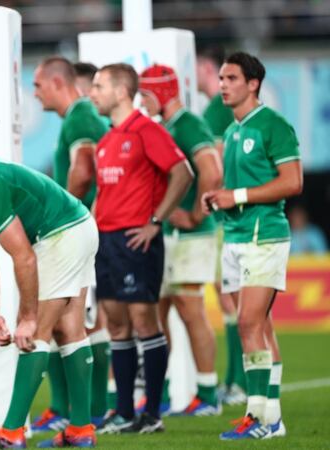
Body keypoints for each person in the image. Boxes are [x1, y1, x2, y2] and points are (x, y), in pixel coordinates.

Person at [0, 156, 98, 448]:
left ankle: (11, 433)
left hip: (59, 234)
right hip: (79, 225)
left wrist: (28, 317)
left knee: (34, 334)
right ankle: (81, 428)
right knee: (70, 330)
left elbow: (24, 257)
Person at [88, 63, 193, 435]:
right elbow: (104, 194)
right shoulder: (105, 142)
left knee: (144, 322)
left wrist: (156, 221)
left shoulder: (147, 130)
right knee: (116, 324)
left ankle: (152, 413)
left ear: (120, 91)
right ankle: (124, 412)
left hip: (137, 239)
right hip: (108, 241)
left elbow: (183, 172)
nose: (92, 93)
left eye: (98, 86)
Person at [203, 51, 302, 440]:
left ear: (252, 83)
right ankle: (264, 416)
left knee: (247, 323)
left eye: (230, 78)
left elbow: (293, 182)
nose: (222, 85)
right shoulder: (232, 130)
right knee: (260, 325)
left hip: (264, 234)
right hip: (236, 236)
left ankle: (265, 419)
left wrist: (237, 195)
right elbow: (233, 193)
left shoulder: (273, 125)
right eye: (222, 79)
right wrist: (218, 197)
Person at [31, 56, 112, 432]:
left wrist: (62, 211)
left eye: (38, 86)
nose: (35, 94)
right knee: (78, 319)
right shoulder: (77, 118)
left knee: (80, 320)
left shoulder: (79, 116)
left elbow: (84, 167)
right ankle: (77, 409)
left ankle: (92, 410)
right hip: (89, 227)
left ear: (58, 83)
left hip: (77, 229)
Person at [139, 64, 224, 416]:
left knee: (190, 309)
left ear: (160, 93)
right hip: (169, 234)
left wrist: (196, 214)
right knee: (159, 313)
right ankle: (161, 391)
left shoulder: (189, 124)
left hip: (191, 235)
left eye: (145, 95)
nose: (142, 103)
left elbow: (212, 168)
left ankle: (207, 395)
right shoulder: (167, 127)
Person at [197, 46, 247, 404]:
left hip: (223, 216)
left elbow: (216, 160)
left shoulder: (216, 109)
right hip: (235, 213)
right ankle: (236, 380)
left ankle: (238, 382)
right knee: (232, 297)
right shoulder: (223, 109)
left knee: (231, 299)